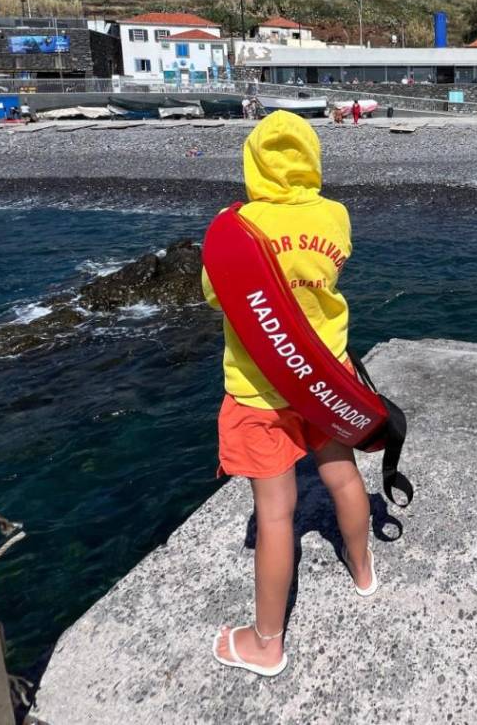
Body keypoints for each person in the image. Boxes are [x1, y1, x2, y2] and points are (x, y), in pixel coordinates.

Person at [203, 111, 375, 677]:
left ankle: (266, 643)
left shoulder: (237, 228)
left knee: (276, 516)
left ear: (252, 162)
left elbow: (216, 297)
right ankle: (364, 572)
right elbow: (331, 274)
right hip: (325, 380)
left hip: (260, 393)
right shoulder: (336, 216)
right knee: (344, 476)